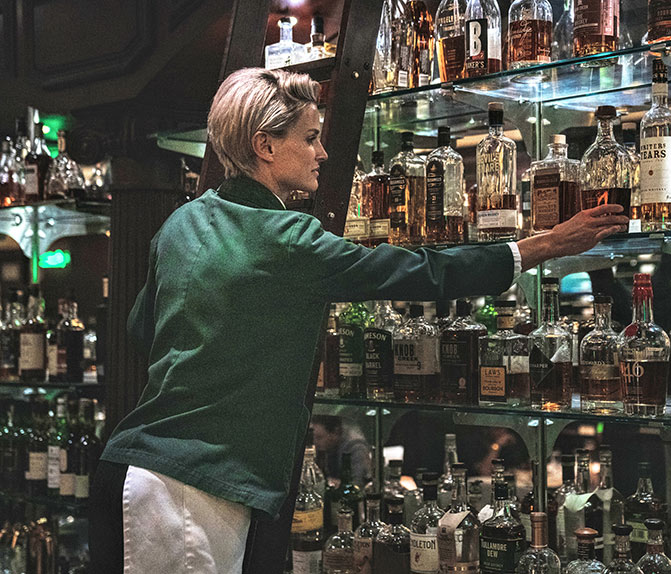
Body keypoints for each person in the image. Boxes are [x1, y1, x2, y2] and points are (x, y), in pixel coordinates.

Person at [88, 67, 628, 573]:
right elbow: (417, 273)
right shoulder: (286, 238)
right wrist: (545, 244)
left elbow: (143, 331)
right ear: (265, 146)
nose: (322, 152)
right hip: (191, 490)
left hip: (135, 468)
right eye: (310, 137)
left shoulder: (183, 222)